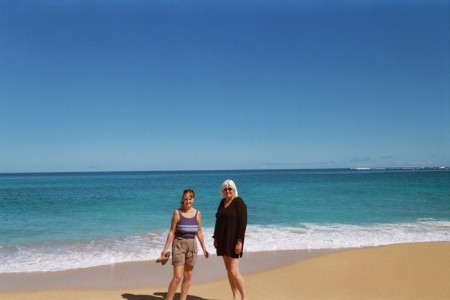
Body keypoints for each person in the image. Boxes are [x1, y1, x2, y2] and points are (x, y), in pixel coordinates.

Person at [160, 188, 209, 300]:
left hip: (192, 245)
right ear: (182, 199)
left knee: (188, 276)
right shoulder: (177, 213)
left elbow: (199, 232)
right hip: (179, 244)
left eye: (190, 199)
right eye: (186, 199)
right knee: (177, 277)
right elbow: (171, 231)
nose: (188, 201)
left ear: (193, 199)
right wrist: (165, 249)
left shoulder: (197, 214)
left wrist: (204, 249)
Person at [213, 179, 247, 300]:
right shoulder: (222, 202)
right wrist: (215, 237)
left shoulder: (239, 202)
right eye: (225, 189)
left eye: (230, 188)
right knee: (228, 270)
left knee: (234, 272)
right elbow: (218, 220)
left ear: (234, 189)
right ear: (222, 190)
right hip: (222, 240)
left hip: (234, 241)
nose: (228, 191)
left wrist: (239, 241)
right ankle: (235, 296)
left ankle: (244, 297)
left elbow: (242, 223)